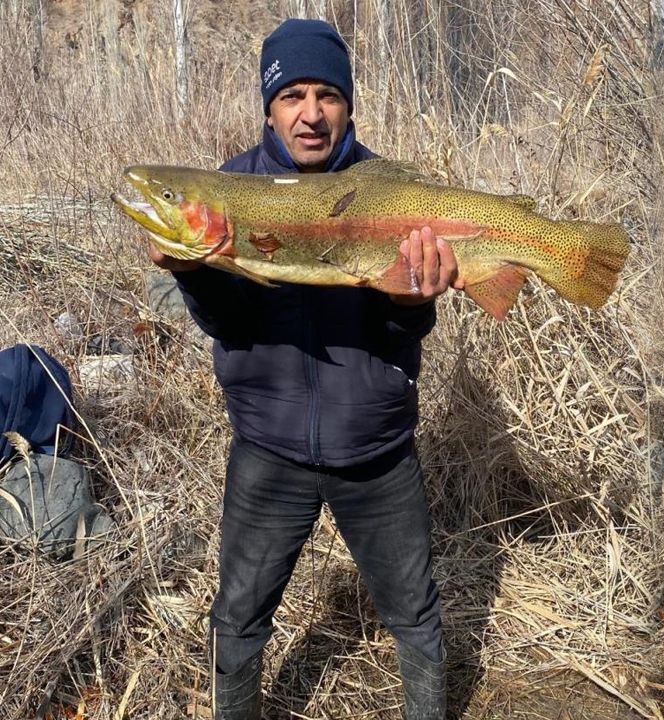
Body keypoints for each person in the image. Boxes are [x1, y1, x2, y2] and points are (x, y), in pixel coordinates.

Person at [150, 19, 459, 720]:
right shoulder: (229, 188)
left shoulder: (392, 194)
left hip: (378, 450)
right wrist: (196, 274)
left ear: (349, 106)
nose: (311, 114)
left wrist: (412, 303)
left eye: (327, 95)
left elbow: (405, 328)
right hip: (269, 447)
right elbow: (231, 325)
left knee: (416, 617)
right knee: (237, 618)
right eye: (293, 95)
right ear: (269, 106)